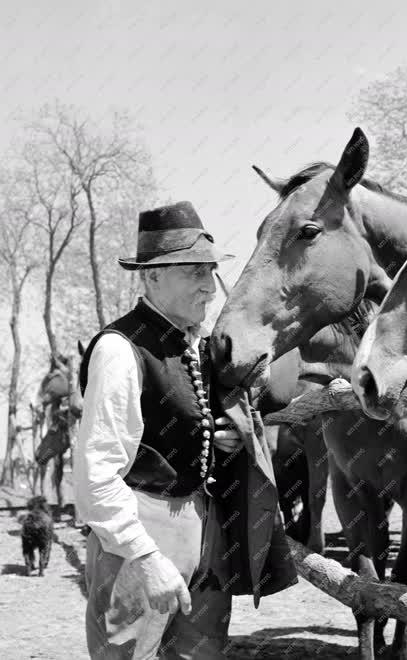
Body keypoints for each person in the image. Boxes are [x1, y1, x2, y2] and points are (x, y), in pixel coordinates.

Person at [74, 201, 297, 659]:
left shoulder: (197, 344)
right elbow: (95, 475)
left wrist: (225, 439)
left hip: (206, 528)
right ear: (151, 277)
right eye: (192, 270)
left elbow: (189, 420)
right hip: (140, 531)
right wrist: (144, 557)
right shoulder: (120, 350)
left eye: (210, 269)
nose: (207, 284)